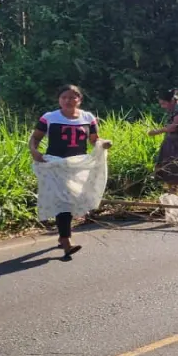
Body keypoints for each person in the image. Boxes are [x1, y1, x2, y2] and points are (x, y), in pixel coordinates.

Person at [28, 85, 107, 258]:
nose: (68, 101)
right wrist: (34, 151)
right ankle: (66, 241)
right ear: (59, 99)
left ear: (79, 100)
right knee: (63, 201)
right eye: (64, 97)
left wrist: (103, 145)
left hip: (78, 165)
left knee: (70, 202)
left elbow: (94, 140)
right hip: (55, 165)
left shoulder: (88, 117)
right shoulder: (49, 117)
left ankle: (62, 235)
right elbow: (35, 138)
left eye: (72, 97)